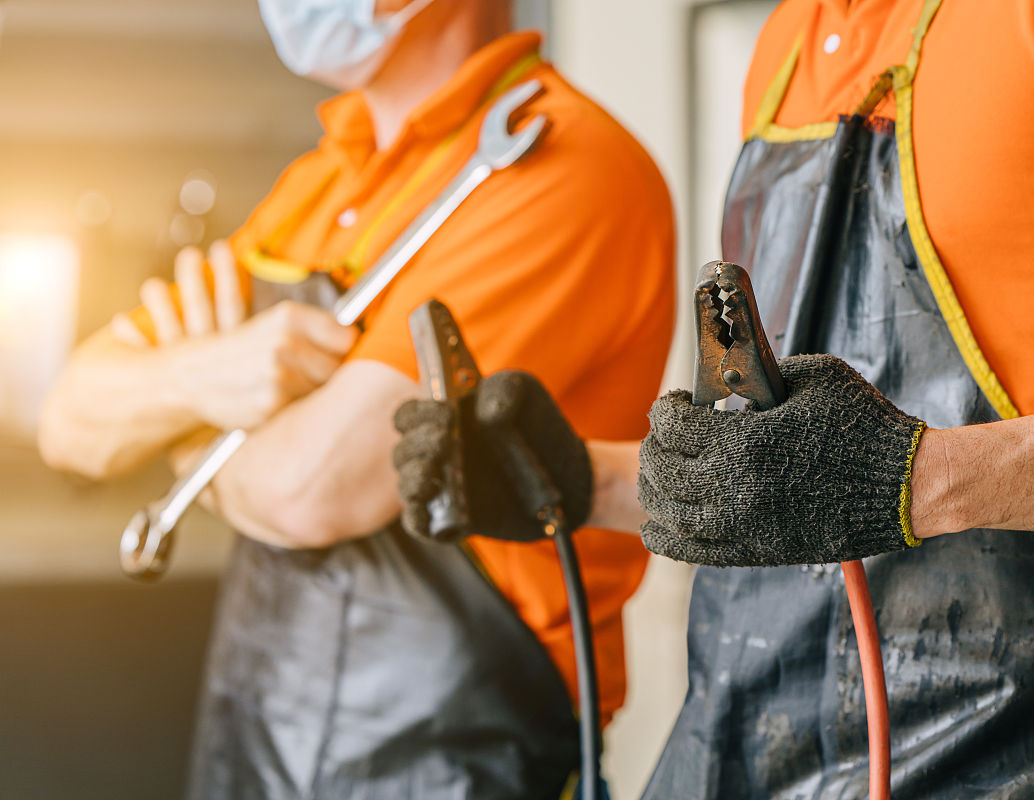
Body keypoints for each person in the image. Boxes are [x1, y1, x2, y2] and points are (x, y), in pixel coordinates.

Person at [395, 0, 1034, 797]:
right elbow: (803, 469)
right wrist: (582, 482)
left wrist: (926, 479)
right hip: (753, 746)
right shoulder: (788, 45)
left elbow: (872, 474)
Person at [37, 0, 675, 797]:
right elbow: (68, 419)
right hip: (255, 743)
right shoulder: (320, 179)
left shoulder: (562, 164)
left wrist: (179, 429)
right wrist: (207, 378)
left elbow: (312, 491)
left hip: (459, 761)